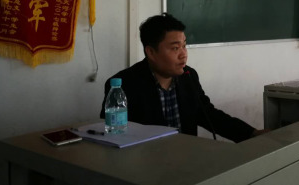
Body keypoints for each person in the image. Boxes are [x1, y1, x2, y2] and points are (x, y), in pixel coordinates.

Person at [100, 13, 267, 143]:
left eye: (184, 46)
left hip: (186, 158)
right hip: (146, 163)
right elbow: (114, 136)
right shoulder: (124, 85)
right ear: (151, 52)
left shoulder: (189, 76)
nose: (183, 54)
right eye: (175, 48)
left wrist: (251, 133)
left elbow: (208, 114)